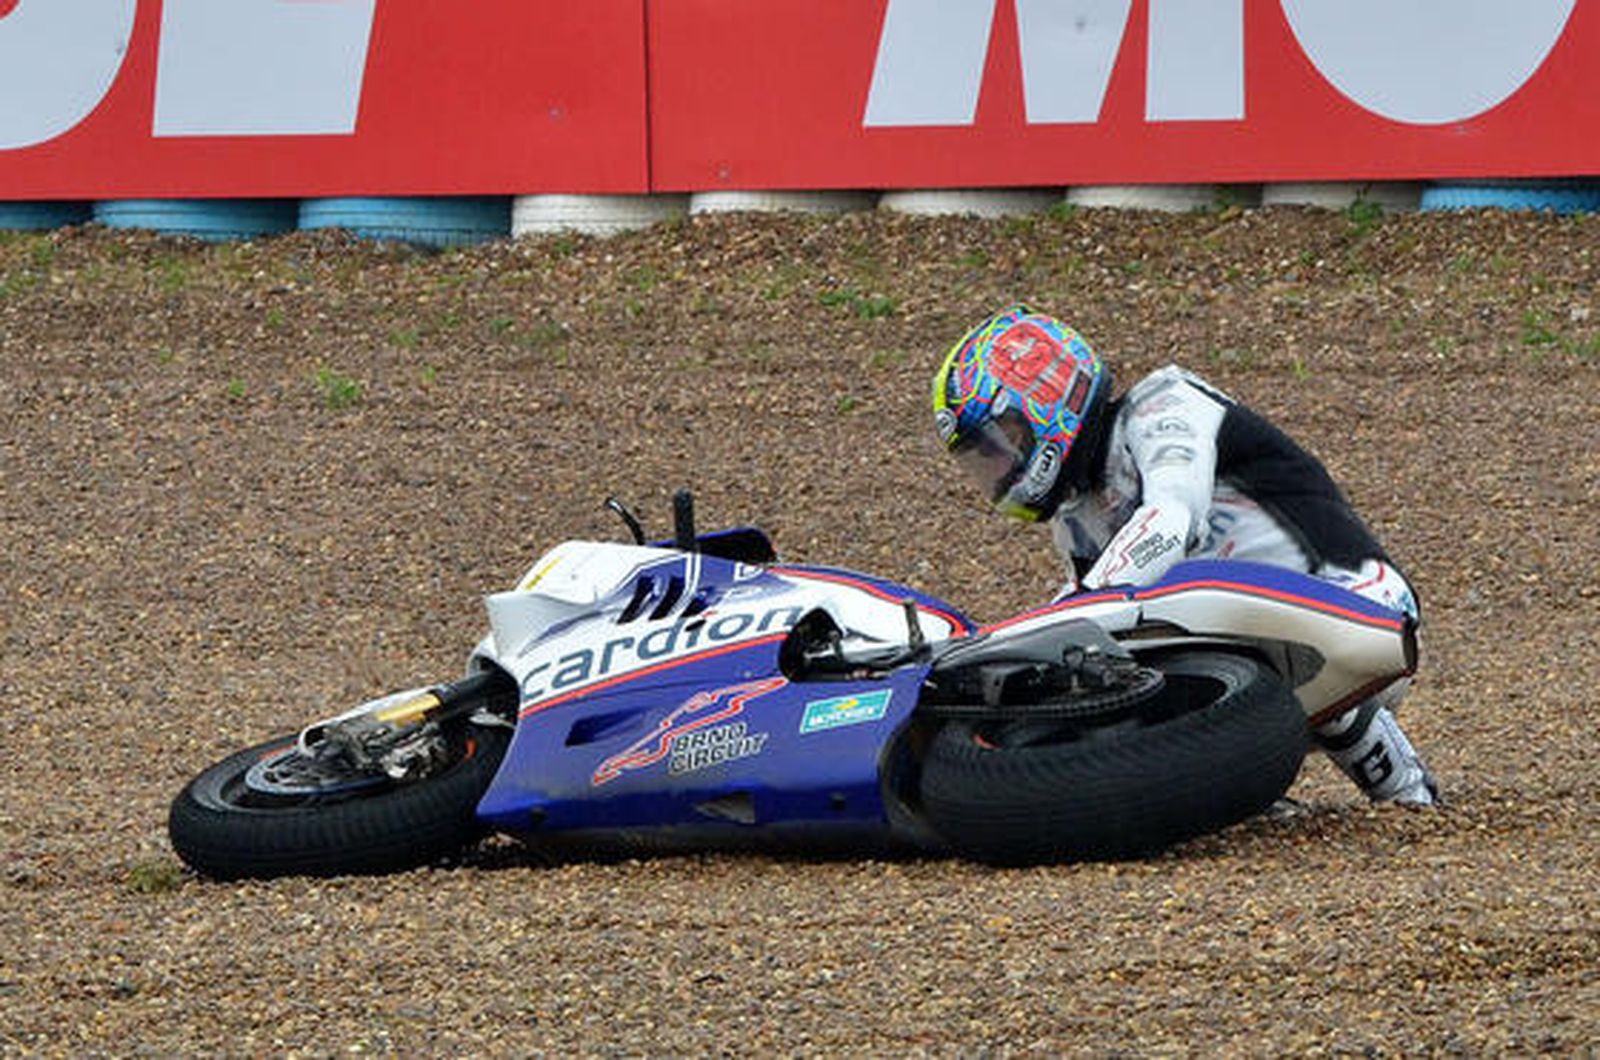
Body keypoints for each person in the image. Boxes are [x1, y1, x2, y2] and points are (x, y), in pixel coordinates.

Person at [931, 304, 1438, 806]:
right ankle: (1227, 798)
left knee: (1138, 615)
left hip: (1362, 610)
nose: (999, 469)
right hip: (1243, 655)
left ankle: (1409, 796)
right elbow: (1093, 624)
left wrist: (1064, 620)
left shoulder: (1165, 404)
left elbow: (1171, 521)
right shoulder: (1075, 519)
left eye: (1003, 443)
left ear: (1047, 395)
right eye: (984, 459)